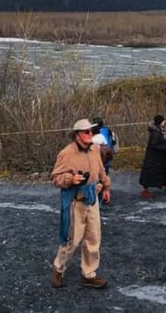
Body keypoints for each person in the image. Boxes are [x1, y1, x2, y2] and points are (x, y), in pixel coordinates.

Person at [50, 119, 112, 289]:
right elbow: (55, 178)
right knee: (73, 240)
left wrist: (106, 186)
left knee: (93, 238)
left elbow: (101, 171)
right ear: (77, 135)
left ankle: (89, 274)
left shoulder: (95, 149)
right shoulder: (66, 153)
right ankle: (58, 268)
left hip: (93, 199)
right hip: (75, 201)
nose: (90, 135)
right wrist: (71, 179)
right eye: (86, 132)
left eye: (91, 131)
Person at [139, 114, 166, 198]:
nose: (165, 122)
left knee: (164, 171)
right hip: (153, 158)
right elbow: (154, 145)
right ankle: (145, 189)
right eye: (163, 121)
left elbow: (162, 140)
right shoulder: (155, 133)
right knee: (150, 173)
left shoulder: (159, 130)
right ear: (160, 122)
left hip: (159, 157)